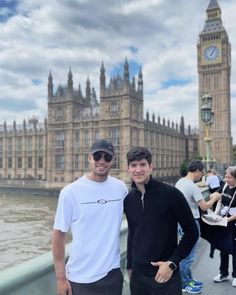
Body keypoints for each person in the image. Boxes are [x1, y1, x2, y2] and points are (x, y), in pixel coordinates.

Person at [52, 139, 128, 295]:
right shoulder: (70, 192)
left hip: (112, 274)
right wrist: (60, 279)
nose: (101, 161)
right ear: (89, 158)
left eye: (107, 157)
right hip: (80, 278)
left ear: (113, 160)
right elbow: (58, 236)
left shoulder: (120, 188)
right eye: (97, 156)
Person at [124, 146, 199, 295]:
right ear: (128, 169)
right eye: (133, 165)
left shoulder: (171, 194)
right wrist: (130, 266)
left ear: (150, 167)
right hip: (138, 278)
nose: (138, 170)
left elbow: (192, 232)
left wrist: (172, 263)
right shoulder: (129, 200)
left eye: (142, 164)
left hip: (165, 275)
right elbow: (132, 234)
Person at [175, 160, 221, 293]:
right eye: (201, 173)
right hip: (191, 223)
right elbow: (204, 207)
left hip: (180, 222)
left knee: (185, 252)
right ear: (197, 171)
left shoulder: (180, 182)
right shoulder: (192, 186)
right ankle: (184, 284)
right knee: (188, 256)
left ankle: (188, 279)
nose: (201, 176)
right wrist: (215, 198)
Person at [213, 166, 236, 288]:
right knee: (223, 248)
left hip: (233, 222)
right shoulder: (226, 186)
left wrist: (228, 219)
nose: (226, 179)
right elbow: (217, 193)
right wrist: (213, 197)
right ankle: (223, 273)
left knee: (235, 250)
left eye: (229, 177)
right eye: (226, 176)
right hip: (223, 221)